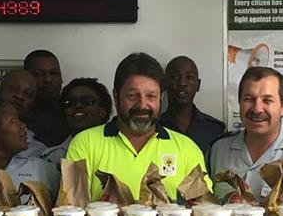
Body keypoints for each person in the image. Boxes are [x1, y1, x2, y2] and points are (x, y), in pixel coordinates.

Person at [66, 52, 211, 201]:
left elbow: (204, 208)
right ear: (116, 96)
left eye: (151, 96)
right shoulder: (84, 144)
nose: (142, 105)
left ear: (161, 98)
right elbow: (70, 209)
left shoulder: (187, 149)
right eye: (132, 95)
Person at [208, 67, 283, 201]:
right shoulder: (218, 149)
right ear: (239, 103)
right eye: (249, 99)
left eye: (267, 101)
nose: (257, 109)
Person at [159, 55, 225, 155]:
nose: (182, 83)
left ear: (198, 85)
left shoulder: (214, 129)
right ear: (165, 84)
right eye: (175, 77)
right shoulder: (153, 126)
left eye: (189, 77)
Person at [41, 77, 113, 166]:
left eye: (87, 101)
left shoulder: (117, 148)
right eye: (70, 102)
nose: (78, 106)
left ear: (102, 111)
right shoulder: (52, 158)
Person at [22, 49, 70, 147]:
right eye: (38, 74)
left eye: (53, 73)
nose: (48, 79)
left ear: (61, 78)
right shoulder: (15, 115)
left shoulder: (73, 111)